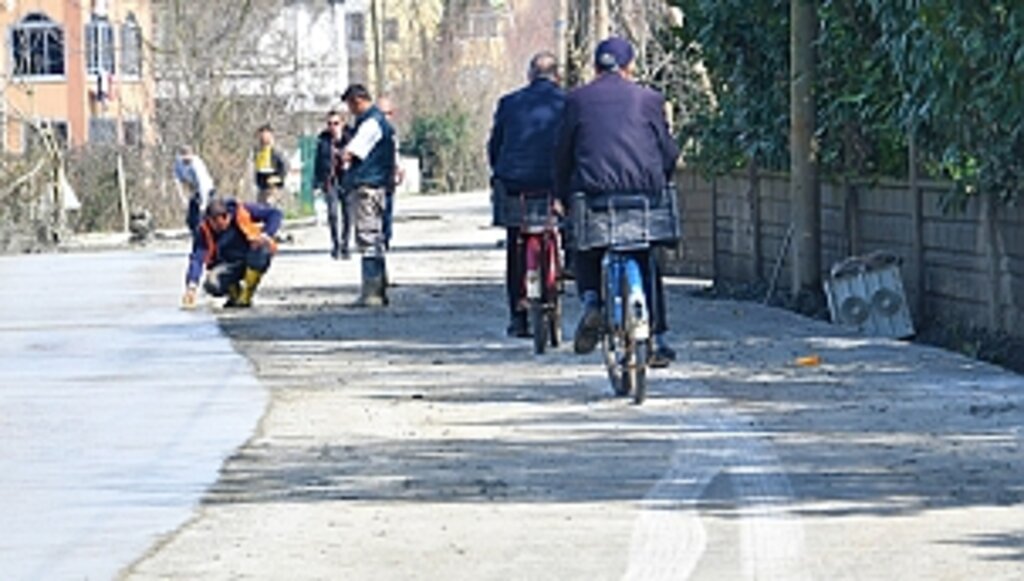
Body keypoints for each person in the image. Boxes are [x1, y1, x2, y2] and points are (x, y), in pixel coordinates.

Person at [554, 37, 680, 367]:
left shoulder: (576, 100)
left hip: (594, 195)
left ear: (596, 67)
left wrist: (560, 195)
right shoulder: (650, 99)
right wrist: (662, 178)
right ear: (629, 68)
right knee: (646, 257)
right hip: (643, 198)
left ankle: (592, 300)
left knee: (586, 245)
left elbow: (563, 153)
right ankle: (658, 336)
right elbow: (669, 152)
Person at [487, 51, 566, 337]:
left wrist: (501, 171)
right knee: (563, 225)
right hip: (553, 184)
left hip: (514, 183)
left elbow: (495, 146)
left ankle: (517, 317)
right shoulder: (568, 102)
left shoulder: (509, 103)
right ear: (557, 76)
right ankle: (567, 263)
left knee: (516, 243)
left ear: (530, 75)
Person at [341, 84, 397, 307]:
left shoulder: (370, 123)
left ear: (358, 101)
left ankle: (372, 292)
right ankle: (379, 288)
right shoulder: (379, 122)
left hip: (367, 186)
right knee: (376, 237)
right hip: (378, 185)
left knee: (368, 237)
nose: (351, 111)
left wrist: (342, 155)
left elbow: (352, 151)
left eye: (351, 105)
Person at [181, 197, 282, 309]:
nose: (219, 228)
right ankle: (235, 296)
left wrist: (266, 235)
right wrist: (191, 287)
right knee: (212, 284)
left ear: (228, 216)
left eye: (221, 223)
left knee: (262, 251)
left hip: (250, 256)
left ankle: (246, 296)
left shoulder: (243, 211)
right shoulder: (204, 230)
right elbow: (197, 258)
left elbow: (275, 214)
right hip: (228, 265)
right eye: (214, 223)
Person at [314, 110, 354, 259]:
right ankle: (335, 244)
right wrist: (317, 182)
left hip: (348, 180)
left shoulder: (351, 137)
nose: (332, 127)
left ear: (342, 123)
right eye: (329, 124)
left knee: (348, 214)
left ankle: (345, 244)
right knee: (332, 213)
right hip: (330, 181)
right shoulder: (323, 140)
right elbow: (318, 162)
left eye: (336, 123)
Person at [377, 96, 404, 251]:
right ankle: (376, 238)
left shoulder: (392, 132)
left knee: (387, 207)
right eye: (380, 113)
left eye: (386, 113)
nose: (383, 117)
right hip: (374, 174)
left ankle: (385, 237)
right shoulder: (369, 129)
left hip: (388, 174)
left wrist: (399, 168)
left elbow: (396, 151)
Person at [173, 145, 215, 234]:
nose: (186, 161)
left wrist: (203, 204)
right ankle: (195, 235)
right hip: (194, 190)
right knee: (191, 220)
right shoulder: (178, 163)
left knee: (203, 218)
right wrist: (183, 198)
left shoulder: (197, 165)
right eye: (184, 159)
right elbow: (178, 181)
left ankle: (207, 237)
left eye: (188, 159)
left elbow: (202, 184)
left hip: (206, 191)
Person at [253, 124, 288, 207]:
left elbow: (284, 165)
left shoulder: (276, 150)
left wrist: (279, 178)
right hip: (261, 184)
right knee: (261, 208)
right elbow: (256, 166)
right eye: (261, 135)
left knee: (271, 206)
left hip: (273, 185)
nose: (263, 137)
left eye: (265, 134)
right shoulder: (258, 150)